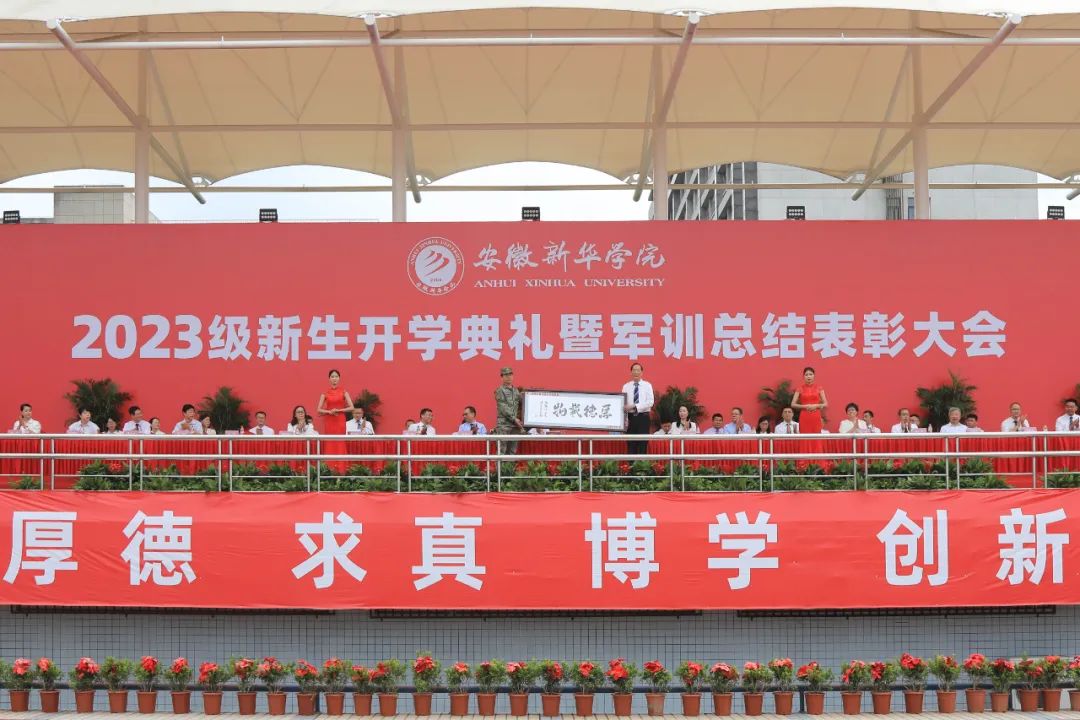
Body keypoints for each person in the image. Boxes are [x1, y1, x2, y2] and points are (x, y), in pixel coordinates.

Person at [622, 362, 654, 454]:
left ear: (641, 372)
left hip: (643, 418)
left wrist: (635, 406)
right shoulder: (626, 386)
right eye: (634, 370)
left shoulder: (647, 385)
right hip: (630, 419)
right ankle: (631, 463)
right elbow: (623, 404)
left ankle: (641, 463)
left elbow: (650, 402)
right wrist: (624, 420)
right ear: (631, 372)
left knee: (642, 444)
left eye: (638, 370)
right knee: (631, 444)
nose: (636, 372)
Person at [494, 366, 524, 453]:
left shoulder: (516, 391)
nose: (508, 377)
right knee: (501, 451)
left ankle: (510, 463)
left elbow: (523, 404)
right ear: (502, 377)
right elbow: (503, 407)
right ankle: (500, 463)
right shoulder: (499, 391)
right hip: (504, 425)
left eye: (510, 374)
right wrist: (514, 419)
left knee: (512, 451)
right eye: (506, 375)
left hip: (515, 426)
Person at [791, 366, 827, 434]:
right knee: (805, 435)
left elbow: (825, 404)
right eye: (806, 375)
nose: (808, 376)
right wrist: (805, 406)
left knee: (816, 436)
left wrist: (816, 406)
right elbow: (793, 404)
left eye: (810, 374)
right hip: (804, 415)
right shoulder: (800, 388)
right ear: (803, 377)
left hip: (816, 415)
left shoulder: (819, 388)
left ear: (814, 376)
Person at [317, 368, 353, 435]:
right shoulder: (325, 393)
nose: (334, 378)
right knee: (330, 438)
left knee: (340, 438)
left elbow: (352, 407)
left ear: (339, 378)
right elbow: (318, 409)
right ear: (329, 379)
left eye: (336, 376)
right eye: (332, 377)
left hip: (340, 419)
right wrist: (329, 412)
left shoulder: (344, 392)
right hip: (329, 419)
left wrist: (339, 410)